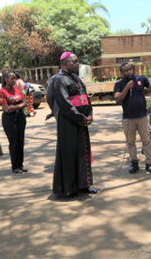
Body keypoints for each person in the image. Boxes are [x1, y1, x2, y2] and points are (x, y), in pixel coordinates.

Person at [114, 62, 151, 174]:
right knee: (130, 142)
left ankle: (149, 164)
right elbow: (118, 99)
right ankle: (134, 163)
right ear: (121, 73)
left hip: (142, 116)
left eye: (130, 69)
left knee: (146, 141)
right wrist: (127, 87)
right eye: (126, 70)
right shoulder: (119, 84)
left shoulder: (141, 79)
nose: (129, 71)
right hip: (128, 118)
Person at [52, 52, 96, 198]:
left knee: (83, 154)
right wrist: (80, 118)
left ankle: (84, 185)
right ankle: (70, 188)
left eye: (78, 61)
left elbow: (85, 98)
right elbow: (64, 103)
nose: (77, 64)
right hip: (69, 123)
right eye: (74, 61)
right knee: (70, 155)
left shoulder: (76, 78)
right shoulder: (59, 79)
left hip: (81, 122)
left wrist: (89, 114)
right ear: (65, 63)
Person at [0, 69, 27, 174]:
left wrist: (15, 106)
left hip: (20, 117)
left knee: (20, 141)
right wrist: (18, 106)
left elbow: (24, 102)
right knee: (14, 142)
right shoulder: (2, 91)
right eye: (12, 78)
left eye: (15, 78)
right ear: (6, 79)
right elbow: (6, 108)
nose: (14, 80)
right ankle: (15, 166)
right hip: (9, 119)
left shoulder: (18, 90)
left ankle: (21, 164)